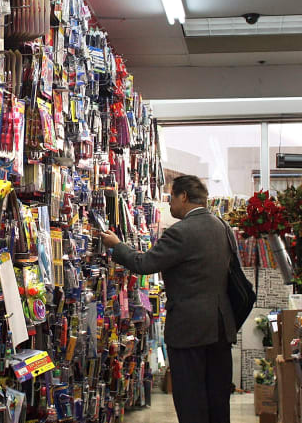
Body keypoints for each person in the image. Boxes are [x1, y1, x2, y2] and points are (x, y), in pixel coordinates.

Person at [101, 175, 237, 423]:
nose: (170, 204)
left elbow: (144, 263)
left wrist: (117, 245)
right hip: (220, 326)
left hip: (189, 329)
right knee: (218, 400)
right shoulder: (222, 227)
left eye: (171, 197)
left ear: (183, 196)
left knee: (191, 401)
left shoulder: (181, 232)